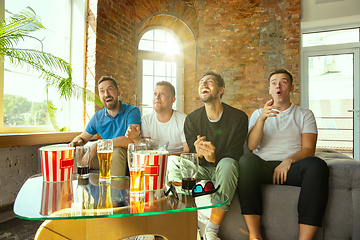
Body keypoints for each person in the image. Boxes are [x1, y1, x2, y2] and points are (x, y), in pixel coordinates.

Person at [237, 69, 329, 240]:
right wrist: (262, 120)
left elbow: (309, 149)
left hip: (292, 168)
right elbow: (251, 145)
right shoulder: (258, 114)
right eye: (274, 82)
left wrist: (289, 160)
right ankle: (255, 235)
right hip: (262, 166)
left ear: (291, 88)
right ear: (270, 90)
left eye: (283, 81)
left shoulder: (305, 114)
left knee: (318, 165)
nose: (278, 85)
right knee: (245, 161)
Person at [168, 71, 248, 240]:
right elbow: (190, 154)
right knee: (173, 161)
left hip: (223, 167)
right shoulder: (192, 119)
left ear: (221, 90)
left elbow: (236, 154)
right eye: (201, 82)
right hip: (201, 168)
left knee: (228, 164)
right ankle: (187, 220)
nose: (203, 84)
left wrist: (214, 157)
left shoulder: (238, 118)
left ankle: (211, 230)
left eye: (209, 82)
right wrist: (197, 153)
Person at [70, 76, 141, 176]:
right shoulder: (98, 116)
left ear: (118, 92)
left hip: (124, 159)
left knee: (117, 151)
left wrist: (99, 145)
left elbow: (132, 140)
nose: (106, 94)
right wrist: (74, 143)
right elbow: (82, 138)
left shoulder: (132, 111)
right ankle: (78, 189)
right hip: (104, 157)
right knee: (73, 155)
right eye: (102, 91)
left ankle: (115, 190)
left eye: (110, 89)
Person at [125, 81, 189, 154]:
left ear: (173, 100)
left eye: (162, 94)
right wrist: (135, 137)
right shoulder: (146, 120)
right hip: (154, 161)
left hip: (177, 162)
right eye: (155, 94)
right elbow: (147, 150)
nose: (157, 97)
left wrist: (164, 157)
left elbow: (187, 152)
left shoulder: (184, 120)